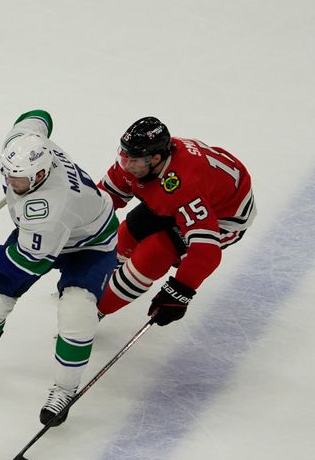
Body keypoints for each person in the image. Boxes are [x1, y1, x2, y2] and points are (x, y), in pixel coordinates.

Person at [0, 110, 119, 426]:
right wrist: (33, 134)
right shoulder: (28, 148)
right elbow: (38, 116)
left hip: (88, 245)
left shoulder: (47, 209)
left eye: (17, 179)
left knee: (77, 312)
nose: (9, 182)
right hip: (44, 237)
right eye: (7, 174)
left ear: (40, 176)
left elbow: (23, 265)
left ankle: (64, 389)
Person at [96, 117, 256, 325]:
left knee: (155, 253)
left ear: (155, 159)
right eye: (124, 155)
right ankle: (95, 283)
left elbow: (206, 251)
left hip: (224, 218)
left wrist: (181, 291)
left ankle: (95, 311)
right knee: (129, 231)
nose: (126, 164)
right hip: (188, 196)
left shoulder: (183, 185)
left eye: (133, 159)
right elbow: (104, 199)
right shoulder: (140, 161)